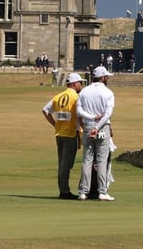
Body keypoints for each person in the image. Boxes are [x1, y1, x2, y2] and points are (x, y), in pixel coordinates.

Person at [42, 72, 85, 200]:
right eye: (80, 83)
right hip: (70, 133)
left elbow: (45, 110)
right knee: (66, 164)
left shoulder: (58, 96)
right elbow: (79, 115)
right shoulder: (76, 97)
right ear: (75, 84)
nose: (81, 85)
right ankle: (64, 191)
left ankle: (63, 189)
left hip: (59, 132)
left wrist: (54, 124)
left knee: (62, 163)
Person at [77, 66, 116, 201]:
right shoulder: (108, 92)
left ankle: (83, 191)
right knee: (101, 160)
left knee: (87, 159)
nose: (107, 78)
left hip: (88, 126)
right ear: (102, 77)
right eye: (106, 76)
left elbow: (79, 112)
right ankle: (102, 191)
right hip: (102, 128)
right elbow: (107, 114)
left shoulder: (84, 92)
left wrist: (92, 120)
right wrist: (98, 126)